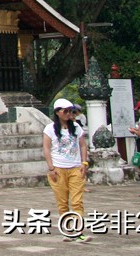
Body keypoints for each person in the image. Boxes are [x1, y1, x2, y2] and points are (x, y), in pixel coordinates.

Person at [43, 97, 91, 243]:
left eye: (71, 111)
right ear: (57, 112)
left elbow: (82, 145)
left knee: (77, 201)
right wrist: (51, 167)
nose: (68, 114)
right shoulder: (50, 129)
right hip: (58, 168)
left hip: (75, 167)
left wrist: (84, 162)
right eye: (65, 111)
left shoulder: (76, 127)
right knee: (62, 202)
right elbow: (46, 147)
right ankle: (68, 230)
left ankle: (79, 231)